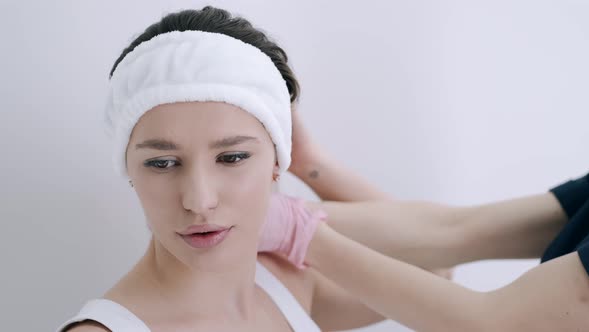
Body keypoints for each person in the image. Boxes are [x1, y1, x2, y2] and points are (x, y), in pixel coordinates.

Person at [58, 6, 405, 332]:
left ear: (275, 162)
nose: (199, 200)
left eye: (232, 157)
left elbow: (433, 270)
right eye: (162, 163)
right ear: (129, 170)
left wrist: (311, 163)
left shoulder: (286, 284)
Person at [260, 110, 589, 330]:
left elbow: (491, 317)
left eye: (232, 157)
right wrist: (311, 165)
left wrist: (299, 231)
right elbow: (454, 234)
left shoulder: (284, 284)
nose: (207, 195)